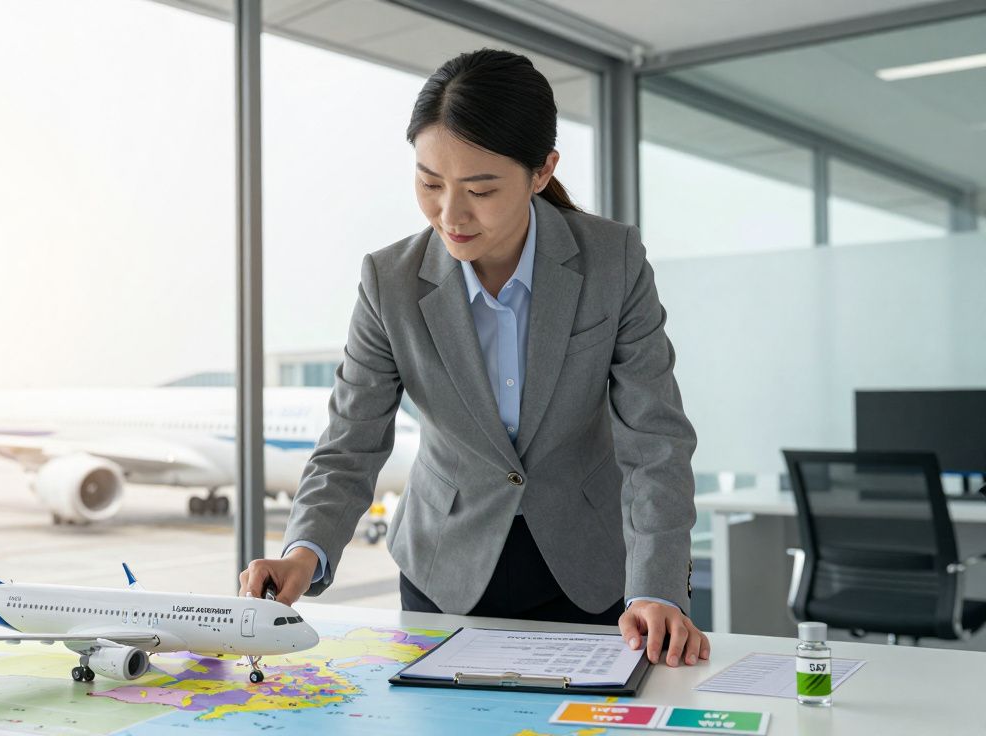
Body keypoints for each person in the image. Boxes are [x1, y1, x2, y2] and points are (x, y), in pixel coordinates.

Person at [239, 48, 708, 668]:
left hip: (594, 571)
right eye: (430, 183)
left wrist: (656, 587)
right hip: (445, 569)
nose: (450, 215)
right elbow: (351, 442)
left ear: (542, 171)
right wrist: (304, 550)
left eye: (481, 189)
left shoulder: (612, 260)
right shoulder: (390, 281)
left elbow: (656, 440)